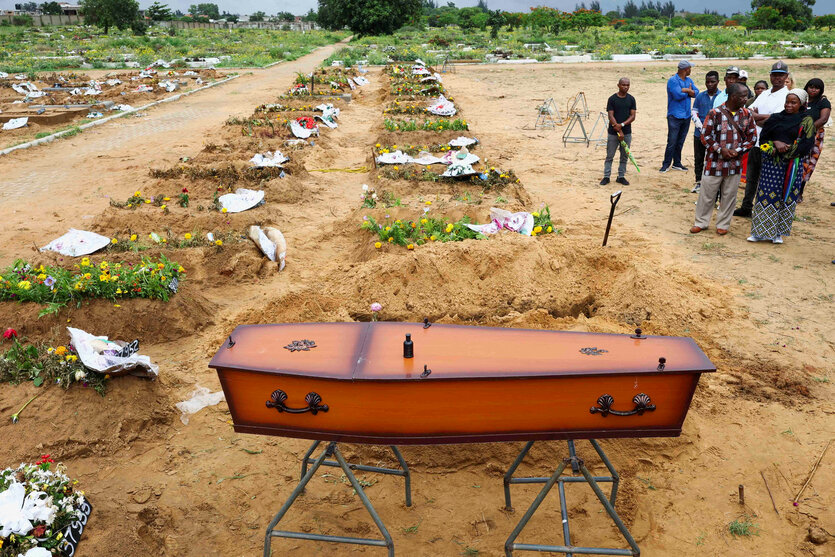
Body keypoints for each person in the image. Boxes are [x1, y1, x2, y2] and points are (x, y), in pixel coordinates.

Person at [748, 89, 815, 244]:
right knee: (766, 194)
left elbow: (807, 143)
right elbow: (764, 137)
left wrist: (787, 151)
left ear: (802, 104)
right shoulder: (776, 118)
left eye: (794, 102)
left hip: (792, 164)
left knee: (785, 195)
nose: (789, 105)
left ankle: (778, 233)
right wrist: (776, 144)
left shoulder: (806, 120)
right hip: (772, 163)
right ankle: (759, 232)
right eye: (787, 101)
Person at [690, 83, 757, 236]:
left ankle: (723, 224)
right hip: (714, 163)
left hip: (735, 164)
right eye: (743, 96)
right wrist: (721, 150)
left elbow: (752, 137)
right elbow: (705, 136)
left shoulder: (747, 114)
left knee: (729, 195)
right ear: (733, 97)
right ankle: (701, 222)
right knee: (707, 195)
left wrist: (737, 151)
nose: (746, 99)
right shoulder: (714, 113)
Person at [734, 61, 790, 218]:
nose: (777, 78)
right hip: (755, 141)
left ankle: (763, 211)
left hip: (771, 144)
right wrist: (763, 118)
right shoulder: (764, 93)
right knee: (751, 178)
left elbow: (777, 120)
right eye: (775, 75)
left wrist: (759, 118)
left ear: (786, 76)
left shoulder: (787, 96)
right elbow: (748, 113)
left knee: (767, 181)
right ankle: (746, 207)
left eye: (781, 75)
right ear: (770, 76)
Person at [661, 60, 698, 172]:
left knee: (680, 141)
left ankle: (677, 162)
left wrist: (685, 90)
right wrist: (688, 90)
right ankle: (666, 163)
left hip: (686, 115)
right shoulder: (673, 80)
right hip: (674, 115)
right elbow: (677, 95)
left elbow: (696, 93)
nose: (691, 70)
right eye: (690, 68)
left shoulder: (688, 80)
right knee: (672, 141)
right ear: (685, 69)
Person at [601, 77, 637, 186]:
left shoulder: (631, 99)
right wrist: (616, 128)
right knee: (610, 155)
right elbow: (610, 115)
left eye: (627, 85)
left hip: (627, 132)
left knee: (624, 155)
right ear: (618, 85)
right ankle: (606, 176)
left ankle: (621, 176)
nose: (625, 87)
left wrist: (621, 125)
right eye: (623, 85)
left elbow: (633, 116)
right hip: (613, 132)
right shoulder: (612, 99)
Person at [800, 78, 830, 198]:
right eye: (811, 87)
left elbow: (823, 119)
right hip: (797, 133)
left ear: (821, 90)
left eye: (816, 88)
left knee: (808, 163)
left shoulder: (823, 102)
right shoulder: (802, 99)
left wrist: (808, 130)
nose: (813, 90)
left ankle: (800, 191)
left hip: (814, 135)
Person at [691, 71, 720, 192]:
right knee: (699, 158)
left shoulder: (722, 96)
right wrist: (700, 126)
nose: (710, 84)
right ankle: (698, 181)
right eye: (707, 82)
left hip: (715, 135)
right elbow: (693, 111)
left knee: (713, 158)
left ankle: (711, 183)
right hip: (699, 133)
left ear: (718, 82)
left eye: (712, 82)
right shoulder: (700, 96)